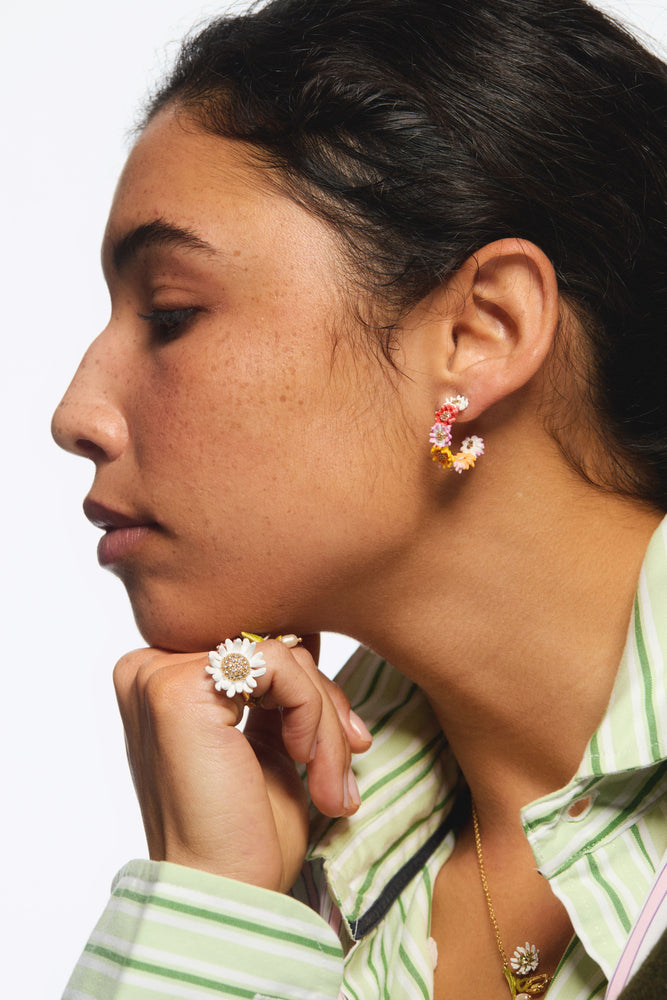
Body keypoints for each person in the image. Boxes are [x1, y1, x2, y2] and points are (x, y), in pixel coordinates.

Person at [51, 0, 667, 997]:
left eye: (171, 313)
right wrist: (216, 913)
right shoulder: (318, 866)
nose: (76, 413)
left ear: (480, 334)